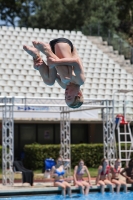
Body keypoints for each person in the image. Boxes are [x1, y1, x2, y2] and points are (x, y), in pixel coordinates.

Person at [23, 38, 85, 108]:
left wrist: (39, 67)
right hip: (62, 45)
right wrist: (55, 62)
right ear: (78, 93)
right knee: (66, 78)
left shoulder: (64, 85)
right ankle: (46, 50)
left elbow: (52, 75)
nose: (66, 94)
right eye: (69, 96)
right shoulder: (80, 80)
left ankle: (36, 56)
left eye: (65, 97)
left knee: (49, 81)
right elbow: (76, 61)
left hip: (53, 50)